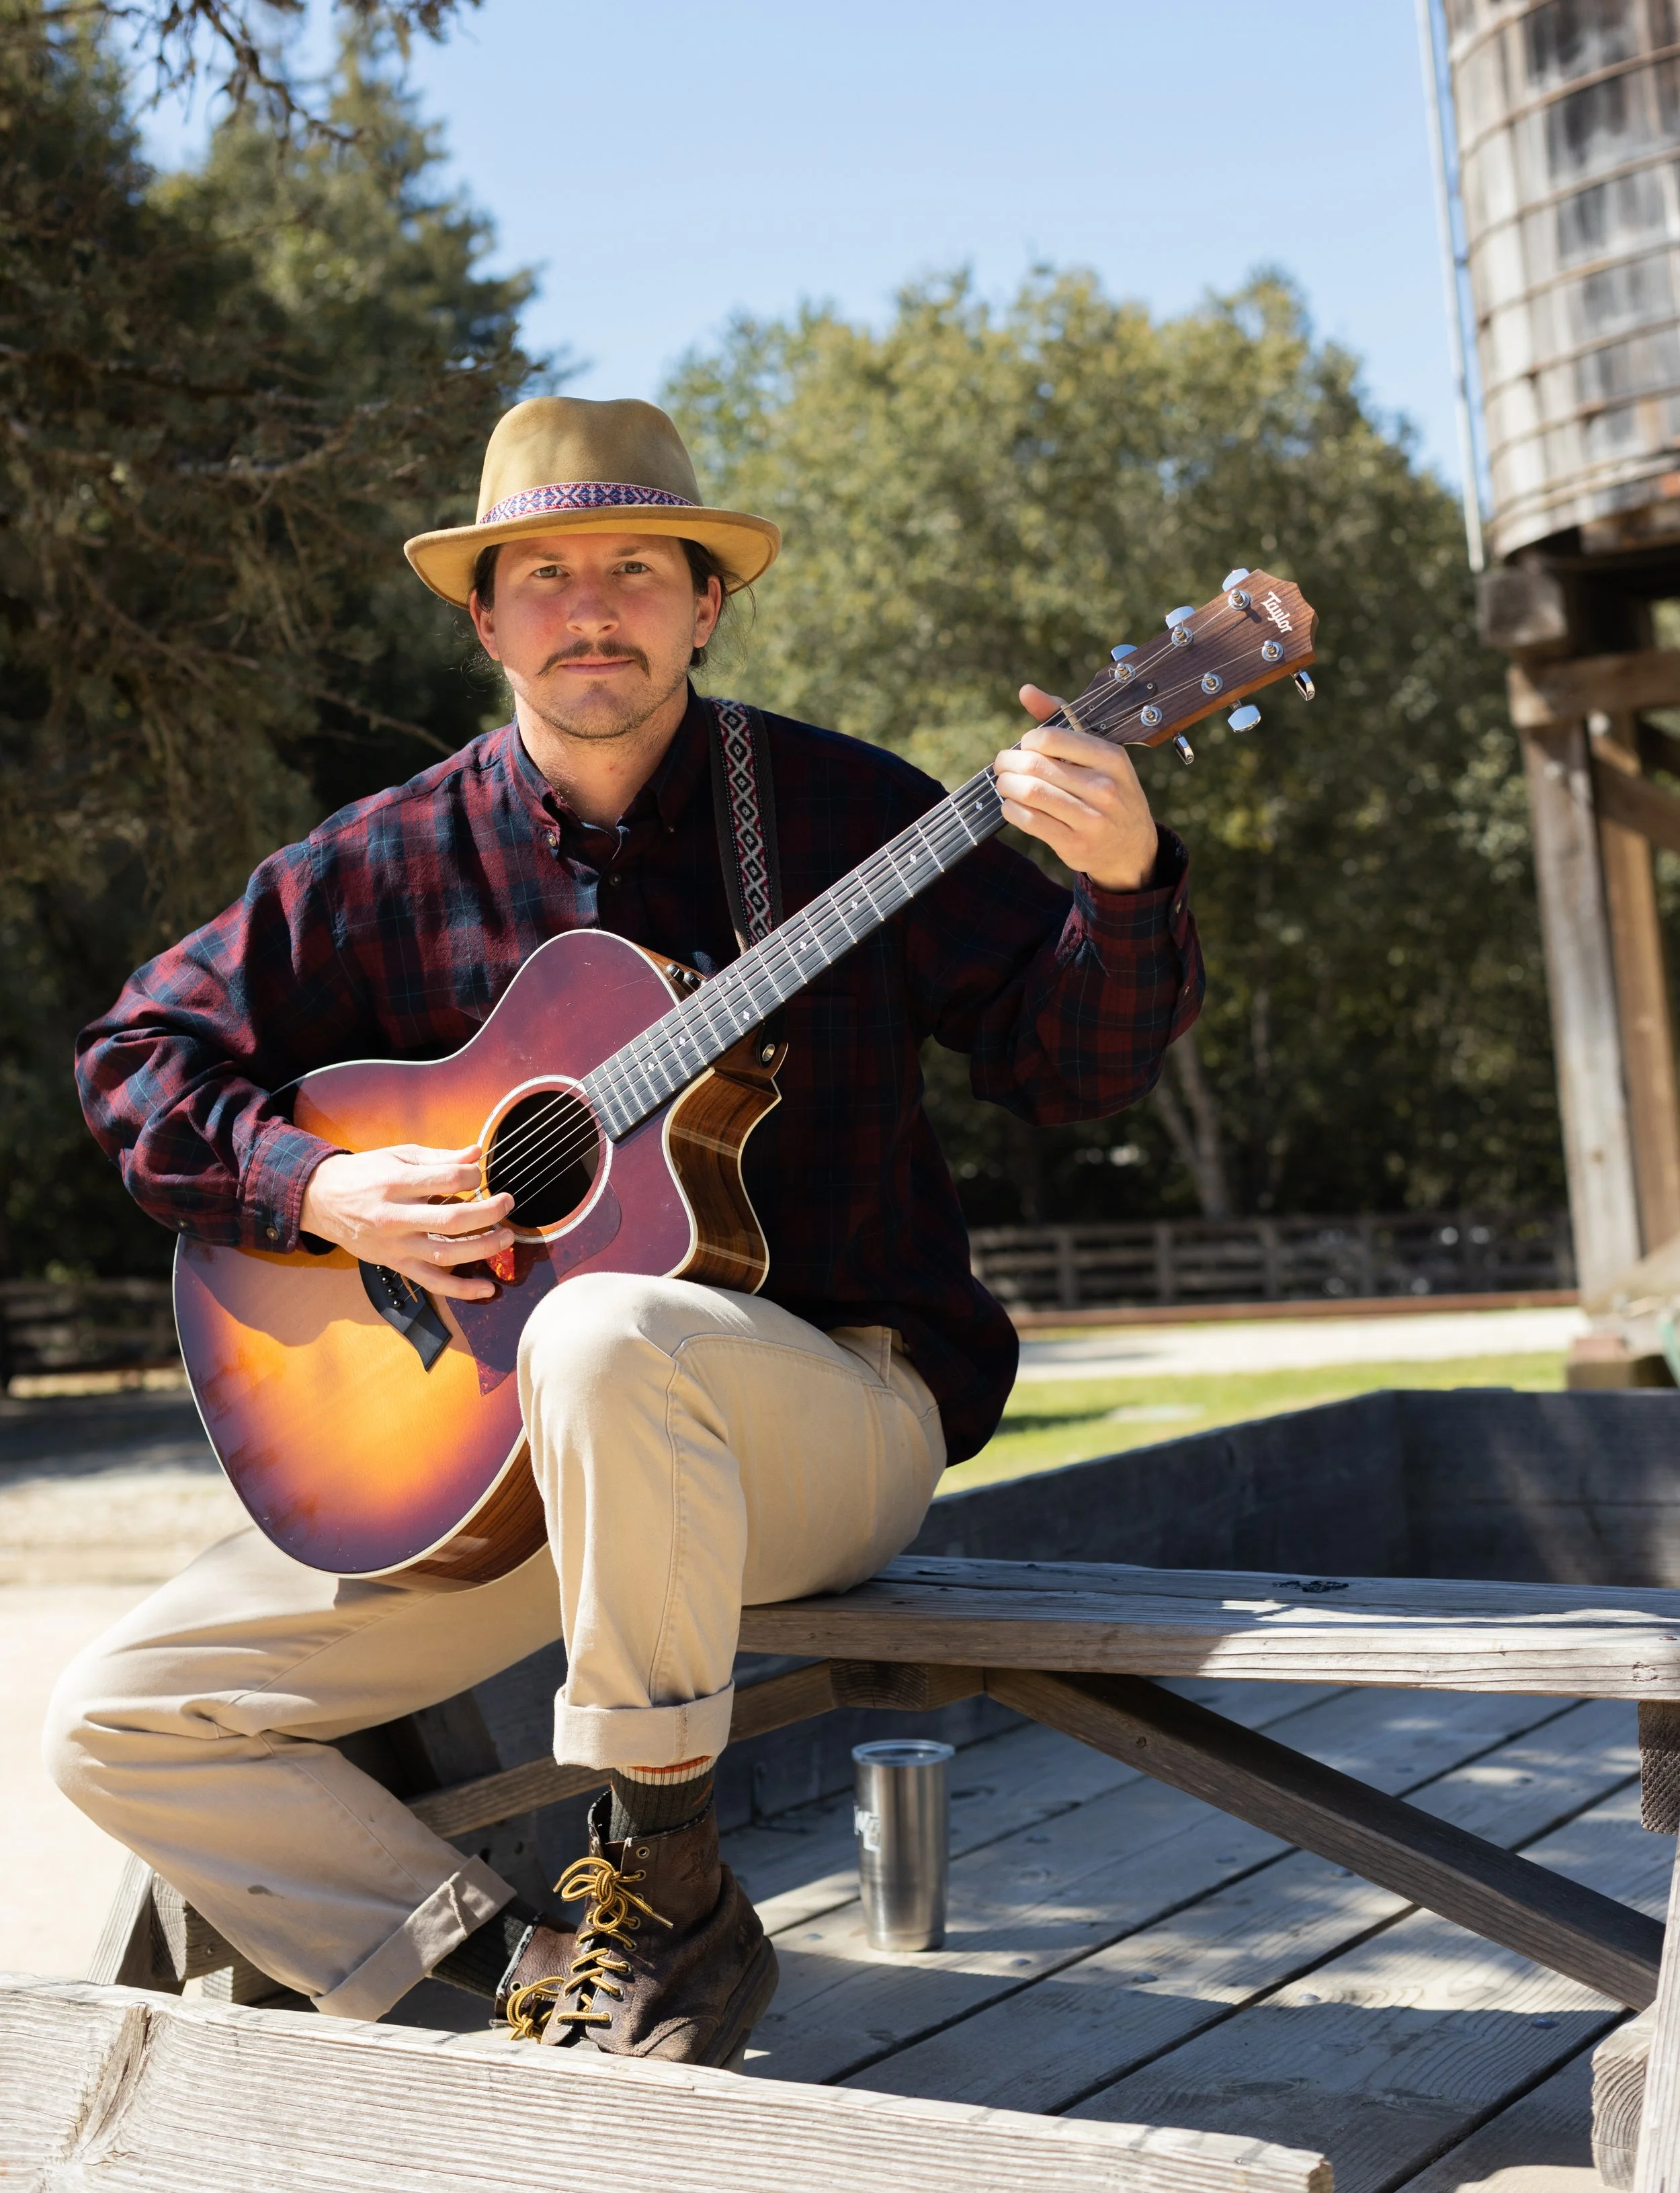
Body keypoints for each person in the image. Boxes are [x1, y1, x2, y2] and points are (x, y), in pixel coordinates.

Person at [49, 394, 1203, 2066]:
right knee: (121, 1721)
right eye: (544, 574)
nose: (591, 606)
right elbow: (134, 1056)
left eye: (637, 568)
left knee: (604, 1329)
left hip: (821, 1416)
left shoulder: (847, 818)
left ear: (704, 602)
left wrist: (1122, 884)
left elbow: (1064, 1067)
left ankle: (666, 1893)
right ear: (484, 613)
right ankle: (509, 1982)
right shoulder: (384, 861)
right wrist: (318, 1187)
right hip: (503, 1470)